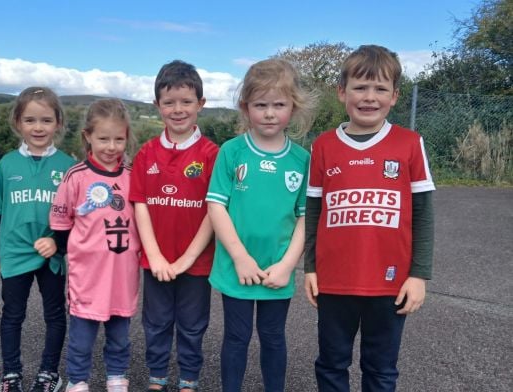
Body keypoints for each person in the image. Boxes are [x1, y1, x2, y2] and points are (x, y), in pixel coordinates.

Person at [304, 45, 436, 392]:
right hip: (335, 281)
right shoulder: (323, 145)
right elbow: (314, 210)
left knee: (380, 369)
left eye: (380, 89)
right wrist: (311, 267)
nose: (369, 97)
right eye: (360, 87)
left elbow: (422, 214)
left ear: (394, 96)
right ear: (342, 92)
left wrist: (419, 274)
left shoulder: (410, 143)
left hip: (390, 282)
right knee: (331, 363)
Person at [206, 58, 317, 392]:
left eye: (279, 104)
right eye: (261, 105)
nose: (270, 113)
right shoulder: (232, 151)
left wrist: (286, 265)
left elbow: (304, 217)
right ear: (246, 107)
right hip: (235, 267)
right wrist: (240, 257)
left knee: (272, 337)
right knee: (236, 338)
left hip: (276, 271)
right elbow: (216, 205)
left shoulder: (302, 159)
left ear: (293, 107)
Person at [129, 60, 219, 392]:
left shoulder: (212, 154)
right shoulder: (146, 153)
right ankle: (156, 377)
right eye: (169, 102)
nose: (177, 109)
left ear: (201, 104)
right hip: (157, 262)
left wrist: (185, 260)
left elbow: (214, 210)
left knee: (193, 326)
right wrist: (155, 257)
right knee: (156, 323)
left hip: (196, 263)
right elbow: (141, 205)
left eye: (186, 102)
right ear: (157, 106)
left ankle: (189, 379)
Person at [0, 87, 76, 392]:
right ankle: (11, 373)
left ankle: (49, 372)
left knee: (54, 314)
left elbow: (76, 217)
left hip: (51, 255)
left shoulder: (67, 166)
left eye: (46, 120)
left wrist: (58, 244)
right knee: (12, 315)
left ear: (58, 123)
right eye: (30, 120)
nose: (38, 127)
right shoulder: (7, 164)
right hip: (14, 254)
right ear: (18, 122)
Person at [50, 99, 141, 392]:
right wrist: (69, 252)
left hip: (123, 275)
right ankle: (78, 380)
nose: (111, 146)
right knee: (82, 336)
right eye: (103, 138)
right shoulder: (76, 176)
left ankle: (117, 376)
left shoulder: (132, 176)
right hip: (87, 276)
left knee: (120, 334)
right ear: (88, 136)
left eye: (118, 138)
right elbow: (61, 222)